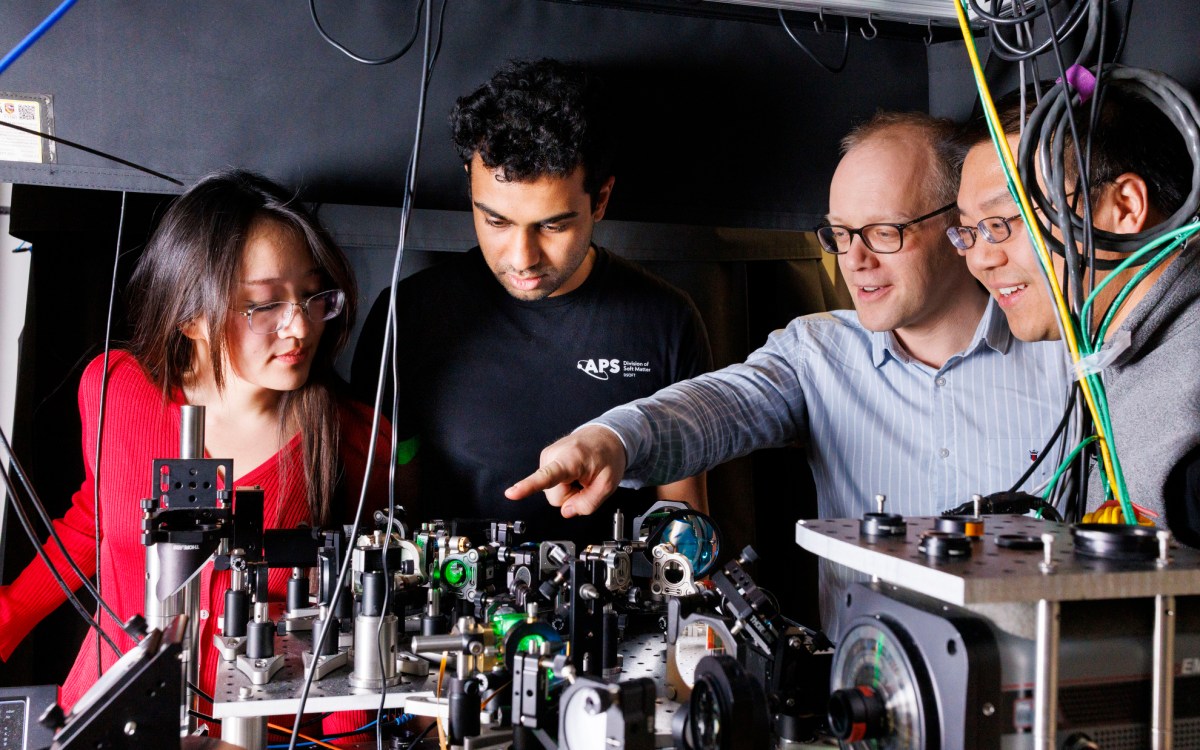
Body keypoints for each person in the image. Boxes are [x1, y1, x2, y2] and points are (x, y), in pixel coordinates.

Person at [507, 111, 1072, 634]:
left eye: (884, 232)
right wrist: (612, 439)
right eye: (842, 234)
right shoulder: (818, 352)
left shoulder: (1070, 364)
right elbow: (718, 406)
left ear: (959, 230)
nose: (856, 260)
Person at [0, 170, 391, 733]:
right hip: (103, 717)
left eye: (311, 296)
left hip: (265, 734)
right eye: (265, 304)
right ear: (191, 315)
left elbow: (362, 608)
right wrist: (10, 616)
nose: (300, 326)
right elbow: (95, 524)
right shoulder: (115, 387)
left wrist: (342, 742)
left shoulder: (358, 438)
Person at [351, 58, 712, 545]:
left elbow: (684, 529)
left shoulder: (667, 321)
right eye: (496, 222)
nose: (521, 258)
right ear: (470, 185)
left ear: (600, 199)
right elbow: (385, 523)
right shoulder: (409, 316)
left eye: (552, 225)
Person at [952, 80, 1200, 541]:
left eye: (1004, 223)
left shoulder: (1188, 402)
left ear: (1123, 207)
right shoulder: (1112, 352)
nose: (981, 258)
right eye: (968, 232)